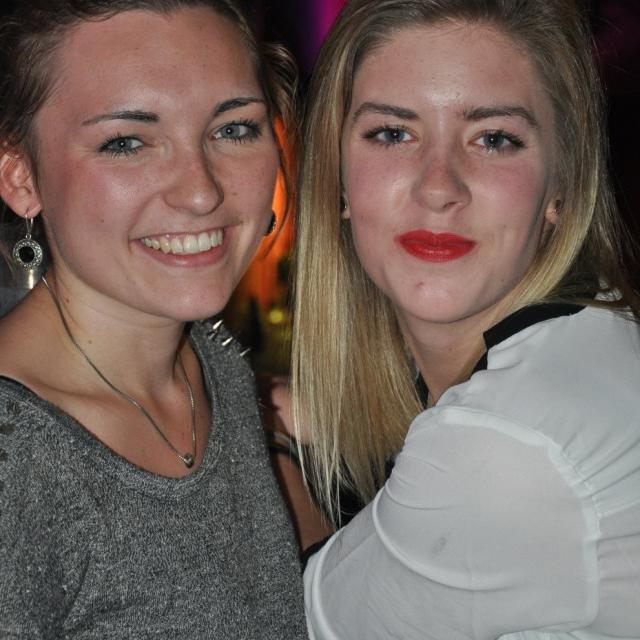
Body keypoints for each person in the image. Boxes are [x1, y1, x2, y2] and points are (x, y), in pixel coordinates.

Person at [293, 0, 640, 637]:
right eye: (392, 134)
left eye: (494, 138)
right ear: (337, 177)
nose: (438, 186)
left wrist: (257, 447)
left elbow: (285, 621)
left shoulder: (507, 442)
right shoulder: (589, 343)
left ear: (560, 185)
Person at [0, 1, 308, 636]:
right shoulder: (16, 465)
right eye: (126, 142)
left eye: (233, 129)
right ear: (20, 176)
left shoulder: (212, 364)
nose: (200, 191)